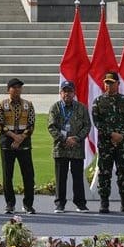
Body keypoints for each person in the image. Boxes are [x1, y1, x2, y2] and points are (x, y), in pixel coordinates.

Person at [91, 71, 124, 213]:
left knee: (123, 173)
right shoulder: (98, 101)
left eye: (111, 82)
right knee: (104, 173)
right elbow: (97, 122)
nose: (109, 85)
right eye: (106, 83)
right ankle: (104, 203)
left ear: (118, 84)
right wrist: (111, 134)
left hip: (122, 143)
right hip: (105, 143)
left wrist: (121, 135)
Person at [47, 80, 91, 213]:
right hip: (61, 147)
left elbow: (87, 125)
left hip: (76, 147)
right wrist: (65, 139)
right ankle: (60, 203)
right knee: (61, 177)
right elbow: (51, 126)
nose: (67, 94)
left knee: (78, 176)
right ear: (60, 93)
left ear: (74, 93)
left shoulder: (81, 108)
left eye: (70, 91)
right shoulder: (55, 107)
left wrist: (77, 138)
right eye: (64, 91)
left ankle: (80, 203)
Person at [0, 78, 36, 215]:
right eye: (14, 87)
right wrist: (14, 137)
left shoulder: (28, 105)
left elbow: (31, 125)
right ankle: (10, 204)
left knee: (28, 175)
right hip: (7, 143)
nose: (17, 90)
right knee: (8, 175)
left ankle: (28, 204)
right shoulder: (2, 104)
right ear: (8, 90)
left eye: (19, 87)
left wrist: (21, 138)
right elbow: (0, 125)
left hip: (24, 143)